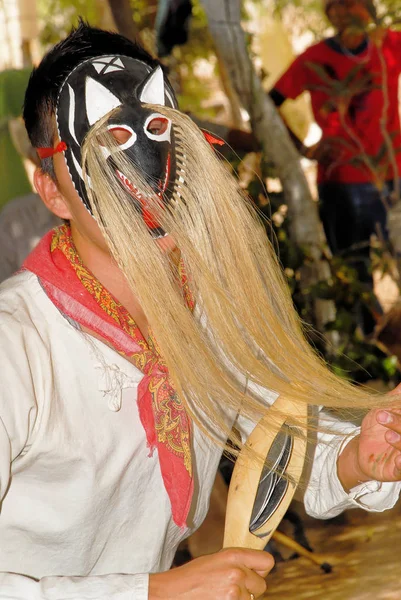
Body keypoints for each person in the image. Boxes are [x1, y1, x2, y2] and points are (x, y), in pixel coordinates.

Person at [1, 22, 401, 600]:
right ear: (53, 190)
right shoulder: (18, 345)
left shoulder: (208, 312)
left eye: (159, 127)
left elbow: (286, 446)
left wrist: (358, 461)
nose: (148, 164)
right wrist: (154, 591)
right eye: (109, 142)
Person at [269, 0, 401, 335]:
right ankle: (373, 352)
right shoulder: (314, 59)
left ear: (367, 9)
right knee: (355, 275)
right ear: (329, 14)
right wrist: (302, 149)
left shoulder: (389, 44)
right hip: (341, 183)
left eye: (351, 3)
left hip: (392, 177)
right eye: (335, 6)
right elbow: (271, 102)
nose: (343, 12)